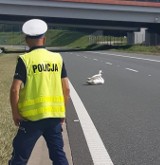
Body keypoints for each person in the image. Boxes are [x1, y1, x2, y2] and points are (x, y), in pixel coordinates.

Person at [9, 19, 70, 165]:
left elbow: (14, 89)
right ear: (44, 38)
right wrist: (62, 112)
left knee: (20, 157)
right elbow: (66, 89)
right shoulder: (57, 58)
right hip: (54, 118)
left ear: (26, 40)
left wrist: (15, 113)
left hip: (30, 119)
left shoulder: (25, 60)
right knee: (58, 155)